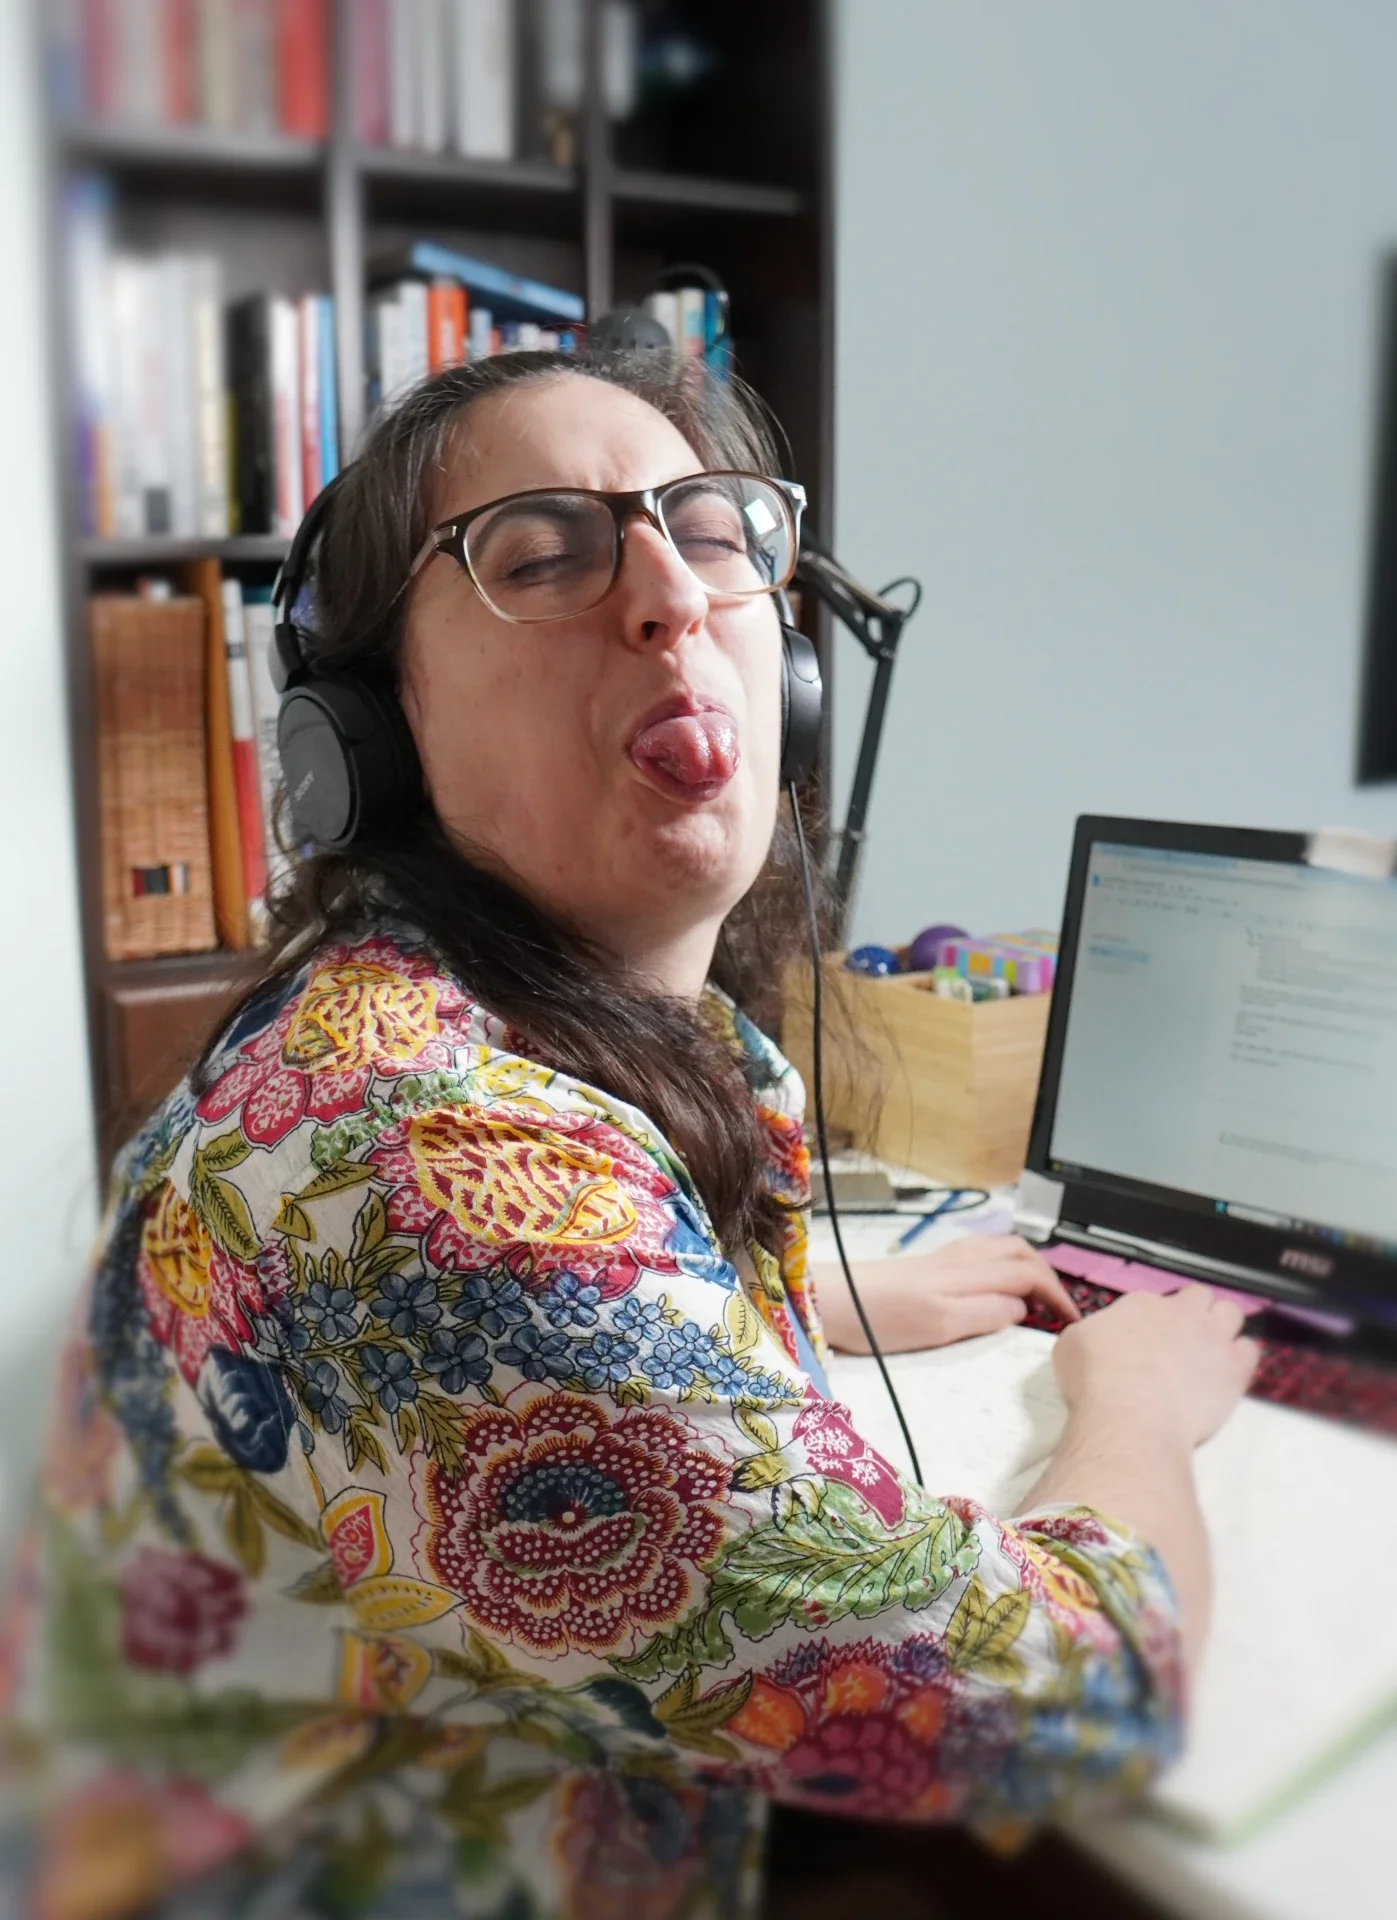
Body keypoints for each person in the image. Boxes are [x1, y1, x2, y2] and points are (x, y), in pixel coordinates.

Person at [7, 351, 1257, 1920]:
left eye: (717, 533)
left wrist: (785, 1306)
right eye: (546, 554)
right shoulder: (431, 1165)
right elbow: (1063, 1707)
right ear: (370, 735)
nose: (673, 595)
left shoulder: (457, 1032)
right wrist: (1131, 1405)